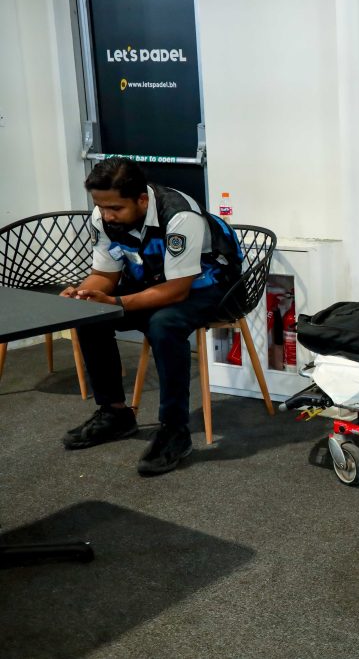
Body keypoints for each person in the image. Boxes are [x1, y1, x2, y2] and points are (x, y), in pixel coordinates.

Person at [61, 157, 242, 476]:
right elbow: (104, 275)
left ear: (142, 200)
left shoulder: (180, 215)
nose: (106, 215)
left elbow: (177, 291)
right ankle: (115, 413)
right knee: (91, 315)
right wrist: (84, 295)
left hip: (212, 285)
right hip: (156, 280)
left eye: (115, 208)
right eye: (101, 207)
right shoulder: (103, 216)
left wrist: (116, 300)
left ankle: (175, 431)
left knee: (164, 324)